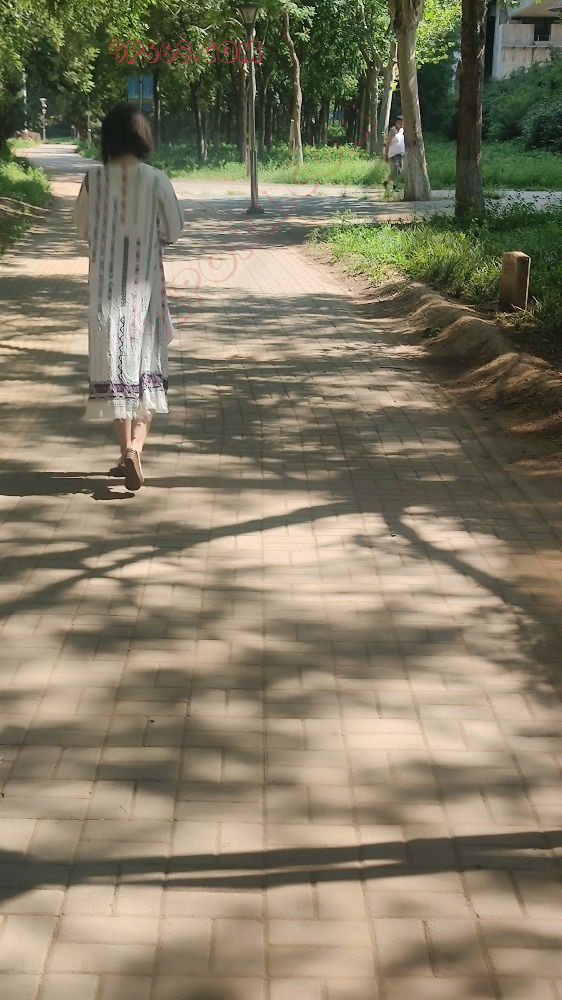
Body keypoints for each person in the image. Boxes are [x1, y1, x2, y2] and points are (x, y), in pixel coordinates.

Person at [73, 103, 183, 491]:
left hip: (104, 297)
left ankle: (125, 453)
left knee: (115, 372)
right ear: (143, 137)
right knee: (145, 374)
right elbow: (174, 228)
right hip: (145, 296)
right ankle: (136, 448)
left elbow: (82, 228)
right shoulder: (156, 179)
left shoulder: (92, 179)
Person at [384, 114, 405, 191]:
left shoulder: (402, 130)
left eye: (402, 123)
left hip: (400, 153)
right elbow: (387, 144)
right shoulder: (392, 131)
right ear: (396, 123)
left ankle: (391, 184)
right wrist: (386, 155)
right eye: (400, 123)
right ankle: (389, 184)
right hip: (393, 154)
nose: (401, 124)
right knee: (395, 169)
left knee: (399, 170)